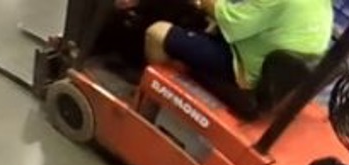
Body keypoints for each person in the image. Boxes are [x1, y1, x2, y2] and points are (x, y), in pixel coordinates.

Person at [140, 0, 333, 94]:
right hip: (276, 74)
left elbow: (229, 21)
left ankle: (150, 98)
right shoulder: (322, 4)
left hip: (245, 71)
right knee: (206, 26)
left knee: (157, 33)